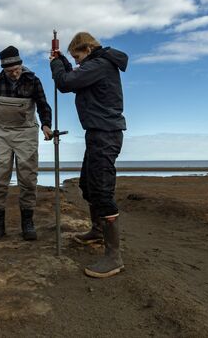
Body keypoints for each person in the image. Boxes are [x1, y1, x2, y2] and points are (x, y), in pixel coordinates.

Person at [49, 31, 128, 278]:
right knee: (88, 185)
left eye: (77, 56)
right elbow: (73, 77)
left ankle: (114, 257)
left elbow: (66, 83)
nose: (77, 62)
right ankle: (97, 231)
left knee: (103, 192)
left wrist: (55, 64)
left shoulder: (100, 64)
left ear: (88, 49)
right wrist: (61, 60)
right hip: (97, 134)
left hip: (106, 134)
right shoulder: (95, 64)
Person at [0, 46, 53, 241]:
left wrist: (46, 125)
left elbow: (43, 105)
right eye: (10, 71)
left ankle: (27, 223)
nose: (15, 74)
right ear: (3, 69)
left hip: (26, 133)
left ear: (21, 65)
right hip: (1, 133)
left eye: (17, 69)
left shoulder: (33, 80)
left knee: (28, 179)